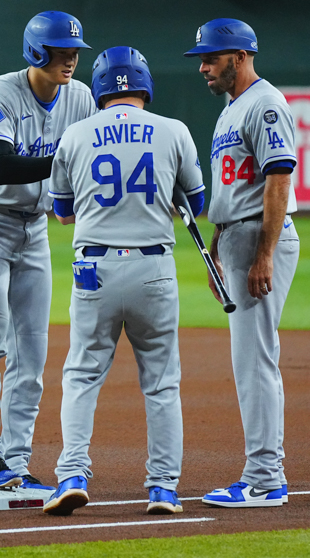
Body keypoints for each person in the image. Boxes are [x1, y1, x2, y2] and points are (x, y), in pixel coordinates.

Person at [42, 46, 205, 516]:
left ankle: (72, 474)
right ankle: (163, 489)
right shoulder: (174, 130)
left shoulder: (75, 134)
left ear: (99, 87)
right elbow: (195, 202)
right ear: (144, 84)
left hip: (94, 269)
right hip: (153, 268)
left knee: (81, 376)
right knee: (162, 384)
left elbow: (63, 211)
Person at [0, 11, 96, 491]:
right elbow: (1, 167)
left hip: (34, 229)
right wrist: (68, 158)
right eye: (60, 51)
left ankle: (16, 461)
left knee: (31, 351)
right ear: (36, 51)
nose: (70, 59)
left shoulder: (81, 97)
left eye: (74, 52)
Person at [183, 18, 299, 508]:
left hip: (257, 237)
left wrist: (264, 255)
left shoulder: (265, 104)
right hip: (235, 237)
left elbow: (278, 180)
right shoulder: (232, 108)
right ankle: (264, 474)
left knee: (255, 361)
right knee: (249, 361)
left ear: (241, 56)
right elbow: (233, 189)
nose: (203, 67)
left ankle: (266, 478)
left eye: (211, 58)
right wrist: (216, 246)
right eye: (201, 59)